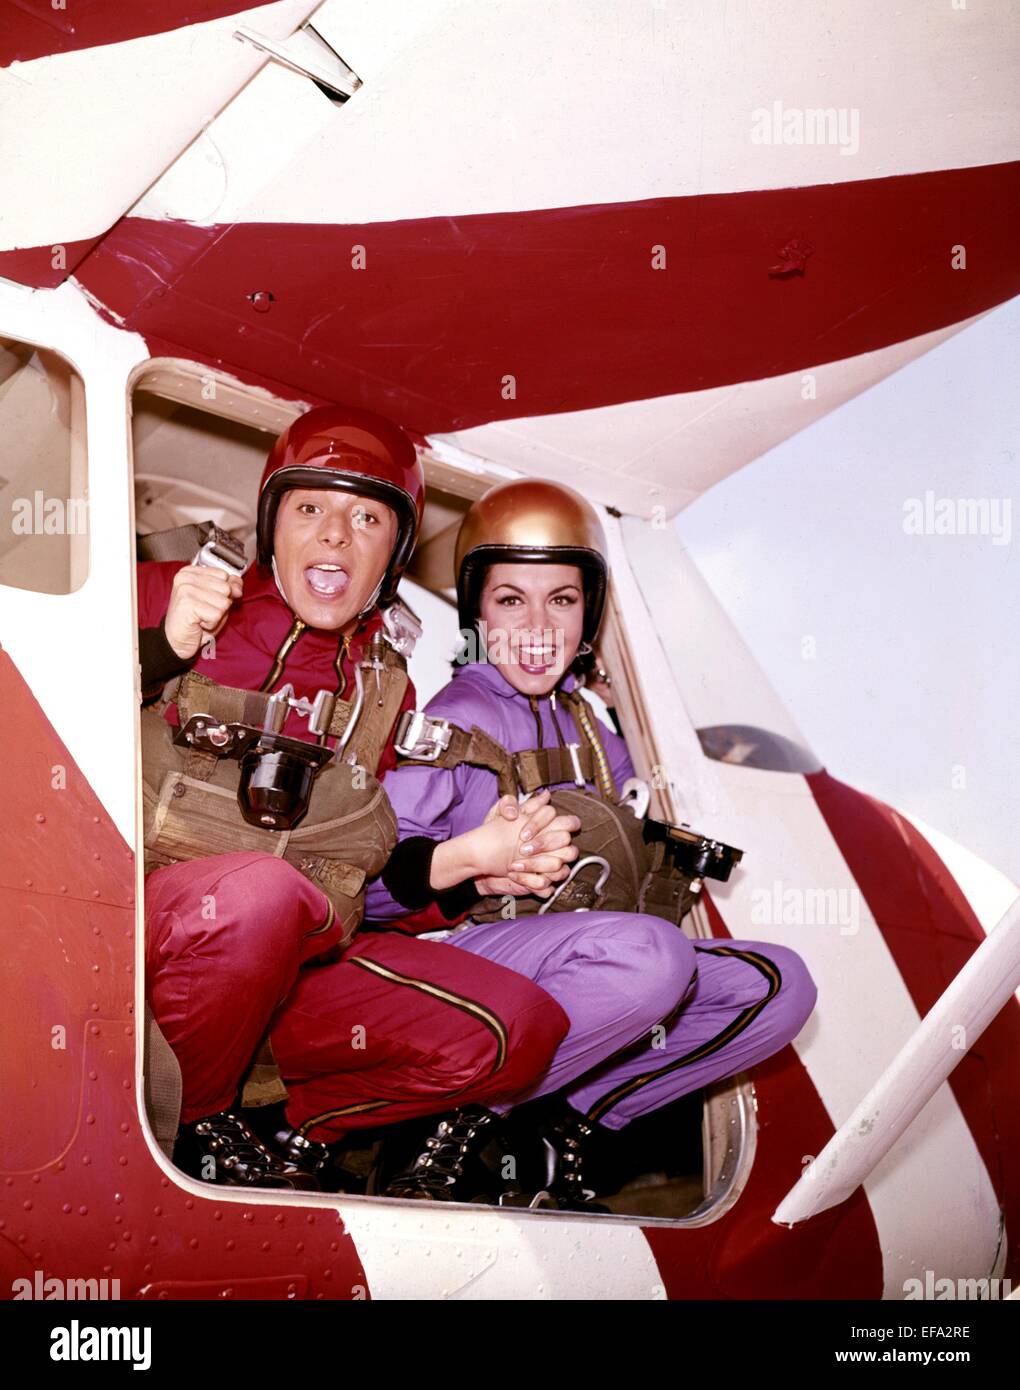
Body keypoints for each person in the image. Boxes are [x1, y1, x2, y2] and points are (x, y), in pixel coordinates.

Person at [139, 408, 572, 1191]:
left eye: (366, 516)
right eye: (310, 508)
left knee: (522, 1028)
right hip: (139, 927)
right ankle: (191, 1126)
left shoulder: (387, 688)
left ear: (391, 556)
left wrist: (467, 867)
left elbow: (353, 876)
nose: (335, 535)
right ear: (273, 527)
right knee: (262, 895)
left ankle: (299, 1136)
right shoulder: (172, 593)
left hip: (287, 969)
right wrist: (157, 650)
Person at [363, 478, 818, 1206]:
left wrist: (630, 722)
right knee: (651, 957)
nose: (538, 625)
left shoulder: (596, 734)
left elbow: (646, 820)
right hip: (459, 963)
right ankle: (448, 1123)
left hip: (589, 960)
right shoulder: (460, 712)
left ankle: (562, 1128)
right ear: (477, 610)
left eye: (563, 600)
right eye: (511, 600)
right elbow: (371, 886)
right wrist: (473, 864)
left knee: (777, 987)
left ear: (589, 614)